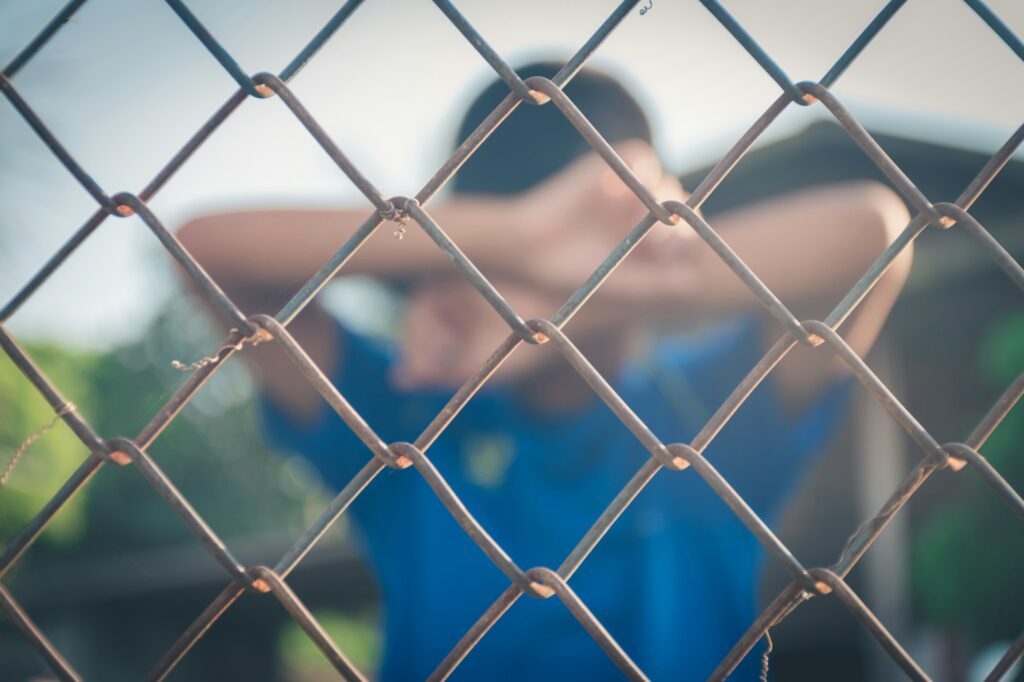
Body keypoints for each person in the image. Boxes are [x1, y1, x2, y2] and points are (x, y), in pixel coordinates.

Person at [177, 61, 913, 680]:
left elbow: (872, 234)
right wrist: (525, 233)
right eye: (499, 252)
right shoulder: (409, 422)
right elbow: (207, 251)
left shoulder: (711, 411)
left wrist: (562, 292)